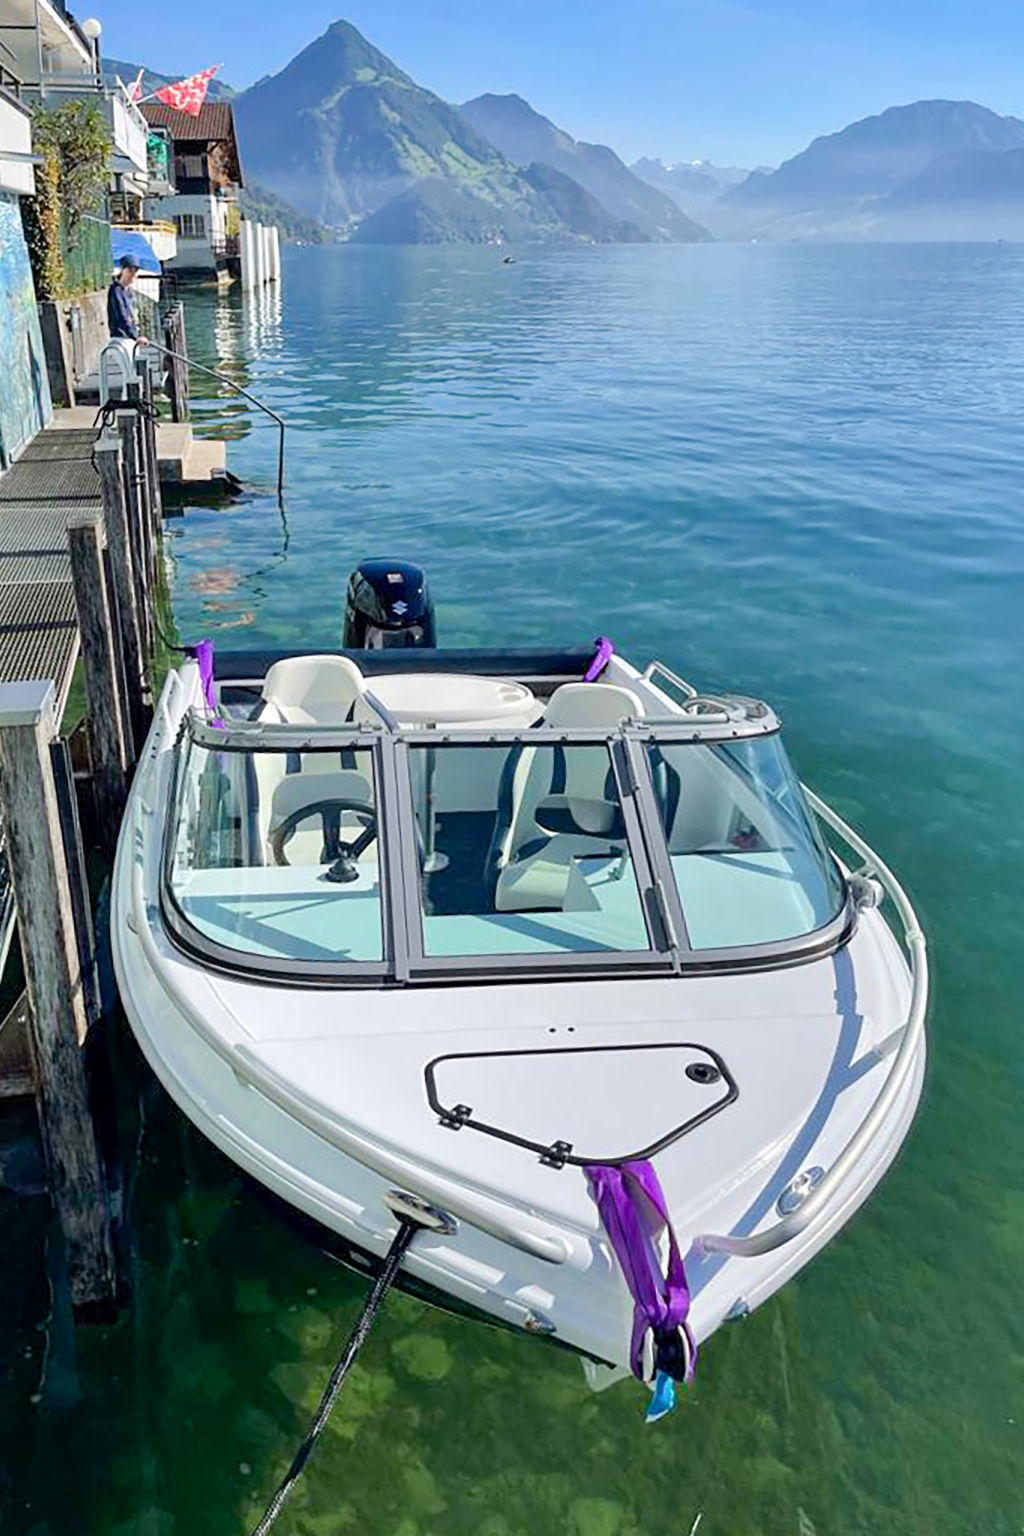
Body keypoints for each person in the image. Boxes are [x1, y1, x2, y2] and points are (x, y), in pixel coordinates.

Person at [107, 254, 148, 345]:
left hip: (130, 339)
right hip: (121, 339)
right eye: (130, 270)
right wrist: (135, 337)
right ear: (122, 270)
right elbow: (122, 316)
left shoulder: (129, 291)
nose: (133, 274)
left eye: (136, 270)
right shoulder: (116, 291)